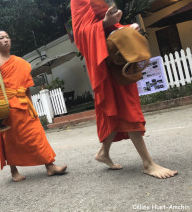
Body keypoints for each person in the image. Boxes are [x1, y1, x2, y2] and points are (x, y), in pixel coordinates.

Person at [70, 0, 177, 179]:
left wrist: (125, 28)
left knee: (118, 109)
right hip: (105, 61)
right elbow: (80, 35)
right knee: (126, 107)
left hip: (118, 56)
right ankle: (148, 163)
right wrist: (105, 23)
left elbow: (110, 26)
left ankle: (103, 153)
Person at [0, 31, 67, 182]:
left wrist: (32, 107)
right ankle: (14, 171)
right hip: (6, 105)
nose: (5, 40)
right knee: (10, 138)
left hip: (23, 103)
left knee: (36, 133)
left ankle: (50, 165)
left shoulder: (20, 62)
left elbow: (26, 87)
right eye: (1, 38)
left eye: (7, 37)